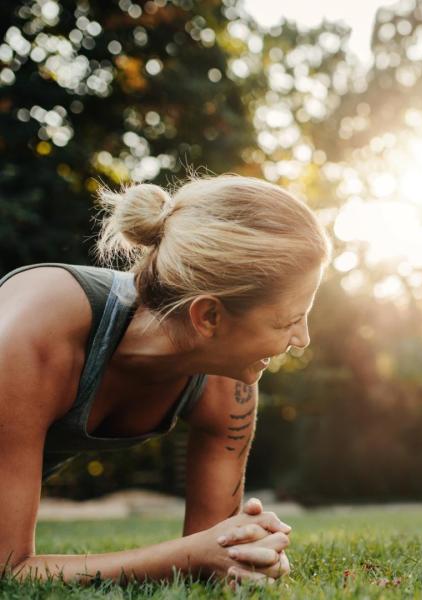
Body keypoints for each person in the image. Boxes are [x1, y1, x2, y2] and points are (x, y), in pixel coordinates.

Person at [0, 175, 330, 584]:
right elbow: (9, 569)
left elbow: (216, 556)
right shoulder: (37, 333)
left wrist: (246, 553)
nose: (302, 339)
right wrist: (190, 554)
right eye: (289, 320)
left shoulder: (229, 380)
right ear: (208, 316)